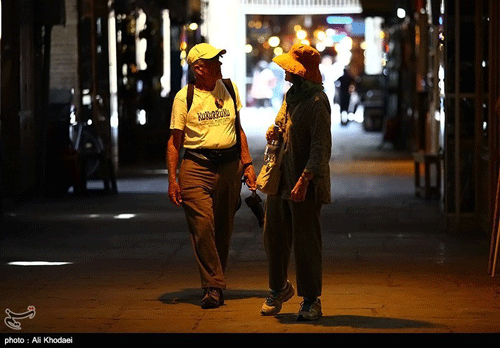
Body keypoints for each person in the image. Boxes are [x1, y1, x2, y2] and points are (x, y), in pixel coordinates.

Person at [167, 43, 257, 309]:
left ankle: (214, 285)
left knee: (224, 227)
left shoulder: (229, 89)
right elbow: (175, 142)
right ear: (199, 68)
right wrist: (172, 178)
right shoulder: (185, 98)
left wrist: (248, 164)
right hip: (196, 166)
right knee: (203, 226)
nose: (220, 64)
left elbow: (238, 129)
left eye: (219, 59)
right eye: (214, 61)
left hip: (229, 166)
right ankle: (213, 287)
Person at [260, 43, 332, 321]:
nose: (286, 72)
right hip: (280, 179)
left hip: (304, 183)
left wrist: (305, 180)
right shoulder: (291, 95)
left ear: (301, 73)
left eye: (290, 69)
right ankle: (278, 288)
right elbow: (281, 122)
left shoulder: (316, 102)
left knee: (306, 241)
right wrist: (274, 130)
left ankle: (311, 299)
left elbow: (320, 147)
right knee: (274, 236)